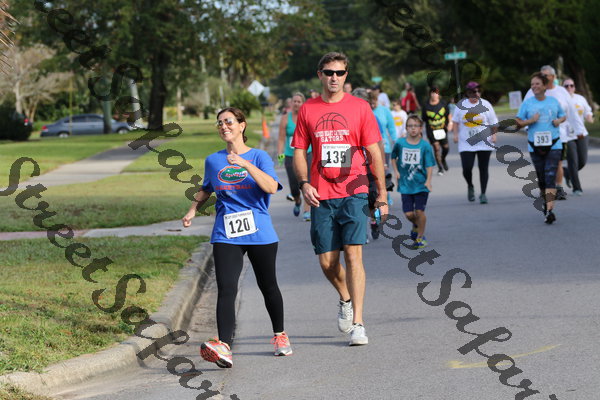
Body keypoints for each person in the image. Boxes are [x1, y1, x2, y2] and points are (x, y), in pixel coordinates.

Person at [182, 107, 292, 368]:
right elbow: (206, 188)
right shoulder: (213, 160)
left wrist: (245, 164)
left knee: (268, 286)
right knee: (226, 287)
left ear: (242, 125)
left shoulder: (259, 156)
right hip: (226, 232)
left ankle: (279, 334)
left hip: (259, 230)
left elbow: (271, 187)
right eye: (219, 123)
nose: (223, 126)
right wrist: (193, 209)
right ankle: (224, 346)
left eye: (229, 121)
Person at [292, 52, 387, 346]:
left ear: (346, 76)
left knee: (354, 255)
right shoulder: (307, 109)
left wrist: (382, 193)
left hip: (354, 192)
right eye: (329, 72)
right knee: (327, 262)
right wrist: (304, 184)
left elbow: (373, 151)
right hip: (321, 194)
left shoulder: (360, 108)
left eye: (340, 72)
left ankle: (359, 323)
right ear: (320, 75)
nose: (334, 77)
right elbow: (299, 151)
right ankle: (345, 297)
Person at [524, 65, 585, 200]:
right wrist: (528, 127)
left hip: (559, 133)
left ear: (553, 77)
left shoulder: (561, 92)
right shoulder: (532, 91)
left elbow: (571, 112)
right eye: (541, 75)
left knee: (557, 162)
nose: (543, 78)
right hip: (538, 135)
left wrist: (579, 130)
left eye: (546, 75)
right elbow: (524, 111)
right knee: (542, 163)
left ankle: (558, 188)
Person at [515, 72, 566, 224]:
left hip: (554, 144)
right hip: (534, 146)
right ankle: (545, 201)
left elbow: (563, 115)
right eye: (532, 84)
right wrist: (530, 120)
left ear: (544, 86)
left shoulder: (553, 101)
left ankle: (550, 211)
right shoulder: (527, 103)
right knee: (542, 179)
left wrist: (559, 121)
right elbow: (517, 123)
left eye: (537, 84)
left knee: (550, 176)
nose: (534, 86)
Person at [391, 115, 435, 248]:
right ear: (406, 128)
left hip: (421, 184)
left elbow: (429, 165)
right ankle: (416, 225)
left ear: (421, 128)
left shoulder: (425, 146)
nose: (413, 129)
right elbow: (393, 157)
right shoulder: (400, 143)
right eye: (410, 126)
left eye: (416, 126)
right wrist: (396, 172)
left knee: (419, 211)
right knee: (409, 214)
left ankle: (420, 237)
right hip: (405, 185)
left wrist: (428, 181)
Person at [452, 81, 498, 204]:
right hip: (466, 143)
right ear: (468, 93)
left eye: (478, 91)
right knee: (467, 168)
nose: (476, 94)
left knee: (483, 168)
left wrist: (494, 135)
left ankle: (483, 193)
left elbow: (493, 121)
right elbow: (455, 122)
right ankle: (470, 185)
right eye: (473, 92)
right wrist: (455, 135)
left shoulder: (486, 104)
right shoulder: (461, 105)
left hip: (484, 142)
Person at [278, 92, 312, 220]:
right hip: (290, 155)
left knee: (307, 181)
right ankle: (297, 200)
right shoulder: (285, 118)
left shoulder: (308, 116)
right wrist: (280, 154)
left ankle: (307, 210)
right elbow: (281, 138)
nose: (296, 103)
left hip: (307, 153)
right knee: (294, 185)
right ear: (291, 103)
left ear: (303, 103)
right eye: (294, 101)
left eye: (299, 101)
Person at [562, 78, 594, 196]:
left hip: (581, 133)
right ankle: (577, 188)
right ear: (562, 88)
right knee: (573, 162)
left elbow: (588, 111)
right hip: (567, 135)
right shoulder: (560, 100)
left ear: (574, 87)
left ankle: (566, 173)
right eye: (566, 86)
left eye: (571, 85)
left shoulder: (580, 99)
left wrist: (589, 116)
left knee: (582, 161)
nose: (569, 88)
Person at [422, 86, 451, 176]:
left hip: (442, 129)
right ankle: (440, 167)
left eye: (436, 93)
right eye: (433, 93)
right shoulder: (426, 105)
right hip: (431, 130)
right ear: (430, 94)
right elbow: (424, 119)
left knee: (446, 148)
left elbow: (448, 115)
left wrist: (450, 124)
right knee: (436, 147)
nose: (434, 95)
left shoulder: (443, 103)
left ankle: (443, 159)